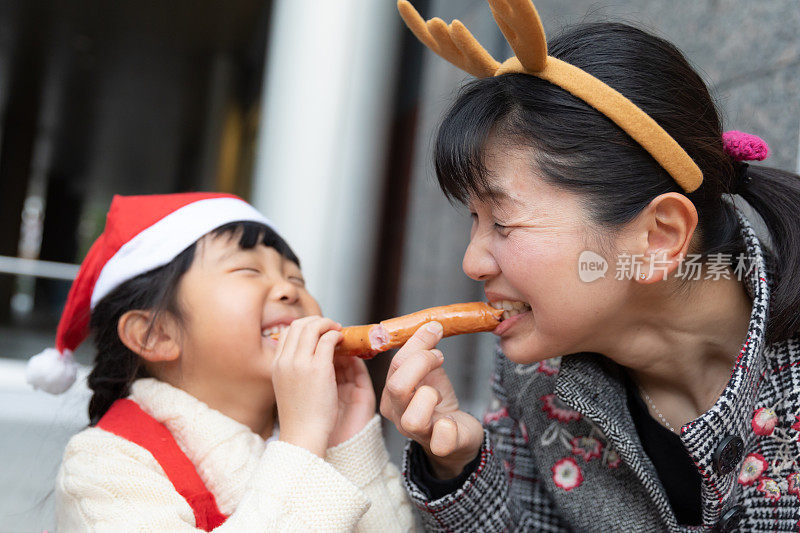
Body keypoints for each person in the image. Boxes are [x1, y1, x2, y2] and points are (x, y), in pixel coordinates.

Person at [381, 1, 800, 531]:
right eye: (473, 219)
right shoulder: (535, 371)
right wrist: (455, 466)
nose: (471, 261)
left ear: (658, 236)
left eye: (503, 224)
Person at [26, 192, 413, 531]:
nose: (288, 290)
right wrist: (303, 440)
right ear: (155, 334)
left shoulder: (316, 438)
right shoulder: (103, 463)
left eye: (297, 278)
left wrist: (348, 441)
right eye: (248, 270)